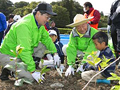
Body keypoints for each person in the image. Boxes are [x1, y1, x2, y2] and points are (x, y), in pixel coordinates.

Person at [0, 3, 60, 84]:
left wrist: (55, 53)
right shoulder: (24, 25)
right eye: (47, 17)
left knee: (42, 45)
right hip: (9, 55)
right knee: (31, 78)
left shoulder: (39, 25)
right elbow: (24, 50)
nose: (47, 20)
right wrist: (32, 72)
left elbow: (47, 39)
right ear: (38, 14)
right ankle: (8, 70)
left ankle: (29, 66)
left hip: (20, 53)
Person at [107, 0, 120, 65]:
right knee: (114, 40)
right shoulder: (115, 3)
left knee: (119, 41)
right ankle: (117, 56)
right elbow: (111, 13)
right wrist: (109, 24)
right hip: (113, 24)